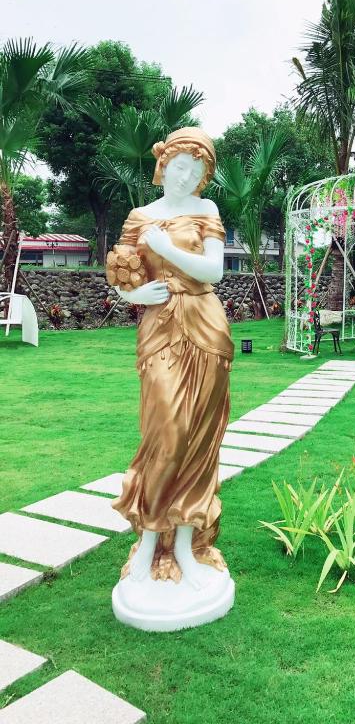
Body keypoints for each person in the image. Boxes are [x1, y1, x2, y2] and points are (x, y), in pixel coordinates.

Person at [108, 127, 234, 590]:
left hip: (205, 325)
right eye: (180, 167)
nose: (186, 178)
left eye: (197, 172)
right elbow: (122, 273)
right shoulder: (140, 215)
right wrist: (133, 293)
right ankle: (147, 543)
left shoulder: (206, 210)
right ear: (164, 165)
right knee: (167, 431)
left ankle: (184, 542)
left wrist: (166, 249)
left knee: (198, 439)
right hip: (159, 326)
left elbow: (214, 271)